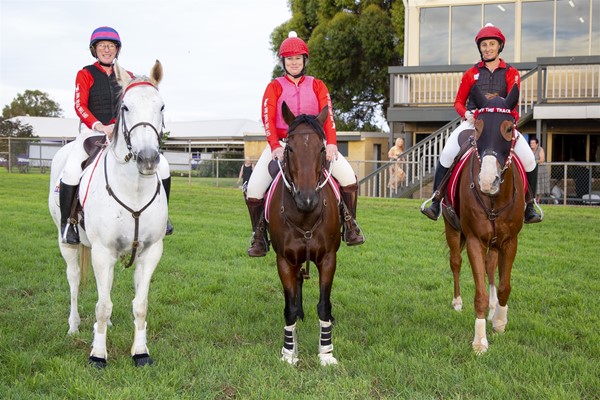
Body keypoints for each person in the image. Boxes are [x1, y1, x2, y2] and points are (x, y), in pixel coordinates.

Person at [244, 31, 365, 257]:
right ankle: (259, 235)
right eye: (289, 59)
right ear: (283, 62)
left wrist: (331, 143)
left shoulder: (317, 85)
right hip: (283, 144)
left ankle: (350, 224)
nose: (294, 62)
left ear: (304, 60)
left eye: (298, 58)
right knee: (253, 189)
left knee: (348, 177)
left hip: (316, 145)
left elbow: (328, 115)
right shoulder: (274, 87)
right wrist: (274, 146)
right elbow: (267, 118)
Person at [59, 26, 173, 244]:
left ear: (117, 50)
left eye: (111, 46)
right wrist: (99, 125)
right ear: (94, 49)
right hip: (92, 133)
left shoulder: (126, 76)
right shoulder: (85, 74)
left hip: (120, 135)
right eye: (102, 46)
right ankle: (68, 223)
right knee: (72, 170)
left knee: (164, 166)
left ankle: (163, 217)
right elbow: (79, 106)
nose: (107, 50)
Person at [421, 23, 542, 224]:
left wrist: (507, 120)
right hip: (474, 124)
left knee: (529, 159)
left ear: (499, 46)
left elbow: (513, 106)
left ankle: (530, 205)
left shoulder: (512, 73)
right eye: (484, 45)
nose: (487, 48)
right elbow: (458, 102)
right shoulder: (470, 74)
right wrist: (467, 113)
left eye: (491, 44)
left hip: (501, 125)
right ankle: (436, 200)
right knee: (447, 153)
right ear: (480, 48)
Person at [530, 137, 549, 203]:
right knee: (533, 184)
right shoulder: (529, 150)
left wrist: (533, 161)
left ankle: (538, 200)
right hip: (532, 169)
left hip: (541, 169)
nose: (531, 144)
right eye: (531, 143)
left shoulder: (540, 149)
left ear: (537, 144)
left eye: (533, 143)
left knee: (541, 184)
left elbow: (542, 160)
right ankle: (533, 199)